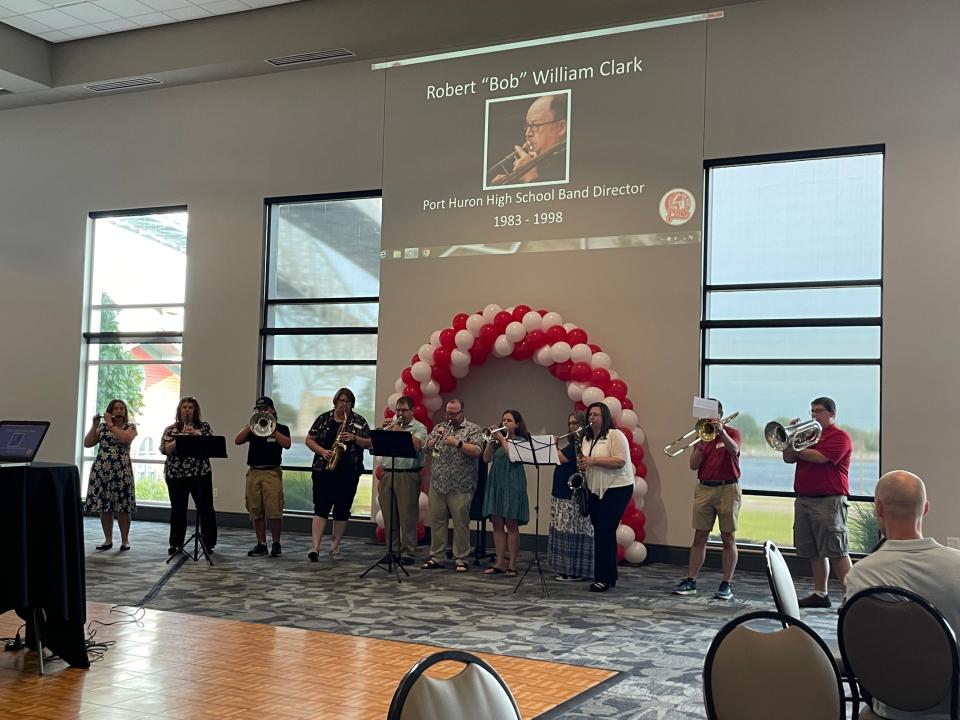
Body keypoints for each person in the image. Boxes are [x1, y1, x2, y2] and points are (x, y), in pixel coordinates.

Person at [845, 470, 960, 720]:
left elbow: (860, 650)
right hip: (953, 707)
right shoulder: (958, 564)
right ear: (926, 508)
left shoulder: (861, 575)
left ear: (879, 509)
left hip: (890, 707)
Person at [781, 396, 853, 608]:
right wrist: (789, 440)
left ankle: (852, 596)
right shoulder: (808, 436)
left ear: (832, 414)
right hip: (804, 499)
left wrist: (795, 446)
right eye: (812, 411)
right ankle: (820, 594)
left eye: (819, 411)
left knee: (837, 551)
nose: (813, 415)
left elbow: (820, 458)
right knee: (813, 551)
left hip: (828, 501)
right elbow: (788, 458)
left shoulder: (840, 437)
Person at [672, 400, 741, 600]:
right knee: (699, 536)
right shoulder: (701, 434)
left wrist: (721, 432)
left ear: (720, 415)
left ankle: (726, 584)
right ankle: (691, 580)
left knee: (728, 537)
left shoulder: (732, 432)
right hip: (704, 488)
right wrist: (700, 445)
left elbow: (734, 450)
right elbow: (693, 466)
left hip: (728, 487)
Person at [305, 387, 372, 561]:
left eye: (347, 401)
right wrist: (322, 451)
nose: (344, 404)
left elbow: (370, 443)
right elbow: (309, 439)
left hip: (349, 472)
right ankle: (315, 546)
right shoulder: (324, 418)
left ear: (352, 403)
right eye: (341, 401)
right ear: (335, 401)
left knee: (342, 509)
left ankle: (335, 545)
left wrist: (354, 438)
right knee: (321, 507)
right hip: (324, 470)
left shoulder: (358, 421)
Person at [422, 398, 483, 572]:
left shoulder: (473, 429)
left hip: (461, 484)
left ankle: (461, 558)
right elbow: (425, 448)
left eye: (454, 413)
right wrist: (436, 439)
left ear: (462, 412)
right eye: (448, 413)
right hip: (438, 483)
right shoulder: (439, 427)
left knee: (460, 523)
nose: (450, 416)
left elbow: (478, 451)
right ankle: (437, 556)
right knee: (437, 521)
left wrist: (458, 443)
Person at [580, 402, 635, 592]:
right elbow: (587, 460)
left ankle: (602, 577)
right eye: (589, 414)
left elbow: (620, 461)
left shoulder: (615, 435)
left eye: (595, 414)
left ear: (604, 417)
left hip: (617, 487)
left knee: (605, 530)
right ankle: (608, 575)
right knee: (601, 531)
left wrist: (593, 461)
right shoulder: (586, 439)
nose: (591, 418)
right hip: (596, 488)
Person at [235, 396, 291, 558]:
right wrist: (251, 425)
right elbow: (237, 440)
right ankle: (261, 544)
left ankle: (276, 543)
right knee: (255, 509)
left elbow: (287, 444)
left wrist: (273, 429)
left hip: (272, 472)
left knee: (274, 509)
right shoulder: (254, 429)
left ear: (272, 410)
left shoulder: (282, 428)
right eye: (259, 409)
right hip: (254, 471)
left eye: (265, 409)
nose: (262, 412)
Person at [161, 396, 217, 555]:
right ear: (179, 410)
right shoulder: (171, 429)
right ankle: (176, 543)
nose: (187, 410)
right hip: (176, 475)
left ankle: (209, 543)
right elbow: (164, 449)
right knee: (178, 510)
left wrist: (196, 435)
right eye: (184, 407)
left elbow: (212, 446)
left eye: (190, 407)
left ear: (195, 411)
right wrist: (180, 439)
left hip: (200, 474)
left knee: (205, 509)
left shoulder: (204, 427)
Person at [83, 399, 138, 551]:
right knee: (105, 506)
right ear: (110, 411)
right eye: (116, 409)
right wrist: (94, 426)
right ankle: (107, 539)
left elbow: (125, 439)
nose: (119, 411)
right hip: (102, 470)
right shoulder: (102, 427)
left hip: (121, 471)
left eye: (122, 409)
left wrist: (111, 425)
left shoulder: (130, 427)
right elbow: (87, 443)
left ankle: (125, 540)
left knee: (122, 507)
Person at [379, 396, 427, 566]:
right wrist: (383, 432)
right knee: (389, 514)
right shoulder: (391, 426)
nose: (399, 413)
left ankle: (408, 552)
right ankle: (392, 551)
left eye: (404, 410)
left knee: (407, 516)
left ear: (412, 411)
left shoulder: (419, 427)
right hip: (388, 473)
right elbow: (376, 445)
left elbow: (417, 445)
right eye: (397, 410)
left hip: (408, 474)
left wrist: (399, 430)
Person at [481, 410, 530, 578]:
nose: (505, 423)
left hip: (513, 482)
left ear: (516, 424)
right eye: (503, 420)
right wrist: (489, 442)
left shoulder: (521, 440)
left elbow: (512, 455)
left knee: (511, 522)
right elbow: (486, 459)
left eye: (509, 420)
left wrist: (502, 439)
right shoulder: (497, 441)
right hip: (497, 482)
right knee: (496, 522)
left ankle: (512, 564)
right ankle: (499, 562)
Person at [548, 412, 594, 582]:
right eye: (570, 423)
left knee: (570, 531)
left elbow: (559, 458)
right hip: (561, 493)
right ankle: (565, 569)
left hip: (570, 495)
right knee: (562, 530)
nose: (571, 427)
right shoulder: (573, 443)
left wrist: (553, 444)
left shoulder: (579, 444)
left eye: (575, 423)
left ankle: (573, 570)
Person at [490, 93, 568, 185]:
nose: (528, 133)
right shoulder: (539, 162)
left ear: (561, 128)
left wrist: (531, 177)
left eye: (535, 125)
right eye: (527, 126)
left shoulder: (573, 163)